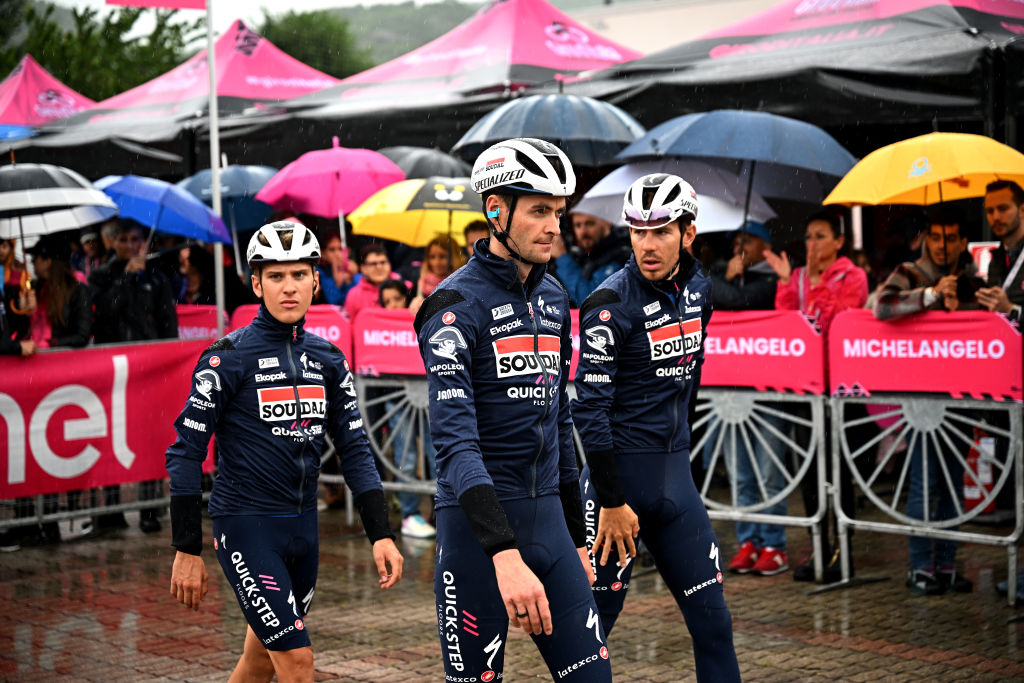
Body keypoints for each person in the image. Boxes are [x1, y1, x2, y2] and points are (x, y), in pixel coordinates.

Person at [165, 221, 403, 683]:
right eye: (276, 276)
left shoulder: (330, 359)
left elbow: (355, 449)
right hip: (246, 527)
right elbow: (186, 452)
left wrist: (381, 534)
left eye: (298, 274)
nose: (289, 287)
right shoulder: (226, 356)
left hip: (304, 532)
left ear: (316, 279)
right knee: (297, 663)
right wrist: (186, 546)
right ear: (256, 283)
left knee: (258, 664)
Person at [414, 138, 612, 682]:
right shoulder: (452, 307)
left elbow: (560, 419)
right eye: (540, 211)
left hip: (550, 521)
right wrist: (503, 554)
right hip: (476, 537)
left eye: (559, 212)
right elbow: (454, 443)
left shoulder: (553, 298)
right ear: (496, 211)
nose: (555, 227)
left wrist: (576, 536)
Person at [572, 173, 740, 682]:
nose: (648, 243)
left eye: (661, 230)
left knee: (715, 628)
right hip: (614, 494)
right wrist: (612, 501)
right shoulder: (608, 303)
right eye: (638, 231)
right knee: (587, 644)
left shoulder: (699, 288)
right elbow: (588, 410)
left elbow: (690, 381)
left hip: (676, 482)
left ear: (688, 234)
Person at [872, 207, 977, 596]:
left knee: (952, 485)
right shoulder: (909, 271)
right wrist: (930, 296)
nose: (943, 245)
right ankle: (920, 566)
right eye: (936, 237)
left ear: (963, 242)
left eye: (951, 238)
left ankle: (948, 565)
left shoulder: (970, 279)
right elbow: (883, 306)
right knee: (922, 484)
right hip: (920, 399)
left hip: (961, 396)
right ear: (926, 239)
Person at [765, 210, 869, 582]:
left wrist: (814, 283)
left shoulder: (852, 275)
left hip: (839, 388)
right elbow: (789, 326)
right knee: (808, 470)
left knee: (838, 471)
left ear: (839, 242)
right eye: (808, 236)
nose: (812, 244)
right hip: (805, 386)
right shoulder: (797, 278)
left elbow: (834, 322)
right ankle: (818, 547)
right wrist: (787, 283)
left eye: (821, 236)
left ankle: (842, 549)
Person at [89, 219, 179, 533]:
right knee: (111, 436)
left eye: (135, 240)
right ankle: (110, 510)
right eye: (124, 239)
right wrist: (125, 281)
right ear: (113, 242)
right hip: (112, 368)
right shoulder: (101, 276)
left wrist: (169, 360)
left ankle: (150, 508)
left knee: (151, 438)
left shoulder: (156, 276)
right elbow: (102, 315)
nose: (131, 245)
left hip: (149, 369)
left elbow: (168, 322)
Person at [710, 221, 789, 576]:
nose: (740, 247)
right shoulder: (722, 275)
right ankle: (748, 541)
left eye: (749, 241)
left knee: (769, 470)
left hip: (766, 387)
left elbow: (740, 301)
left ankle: (774, 544)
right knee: (740, 471)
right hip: (730, 386)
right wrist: (725, 278)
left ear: (765, 247)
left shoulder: (774, 280)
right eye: (736, 241)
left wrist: (724, 282)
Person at [377, 279, 438, 538]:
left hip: (428, 395)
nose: (392, 307)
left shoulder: (421, 315)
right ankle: (410, 515)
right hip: (397, 396)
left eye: (396, 300)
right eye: (386, 302)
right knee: (405, 457)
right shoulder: (380, 327)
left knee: (437, 454)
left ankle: (442, 509)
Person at [551, 210, 630, 307]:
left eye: (589, 224)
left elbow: (589, 300)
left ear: (606, 223)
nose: (583, 231)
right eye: (578, 225)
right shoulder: (586, 254)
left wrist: (562, 257)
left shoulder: (621, 255)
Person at [978, 180, 1024, 322]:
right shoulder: (995, 261)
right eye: (990, 211)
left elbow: (1007, 308)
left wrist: (1011, 309)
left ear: (1022, 210)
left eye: (1003, 209)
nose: (995, 217)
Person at [344, 244, 400, 321]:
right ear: (363, 268)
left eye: (383, 262)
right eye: (373, 264)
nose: (379, 267)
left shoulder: (405, 288)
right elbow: (348, 327)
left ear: (389, 265)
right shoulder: (354, 295)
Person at [316, 233, 355, 306]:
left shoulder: (353, 272)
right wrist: (337, 283)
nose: (337, 254)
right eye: (332, 250)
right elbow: (334, 303)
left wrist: (350, 280)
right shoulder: (318, 274)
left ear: (348, 252)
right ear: (323, 254)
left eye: (340, 249)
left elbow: (353, 303)